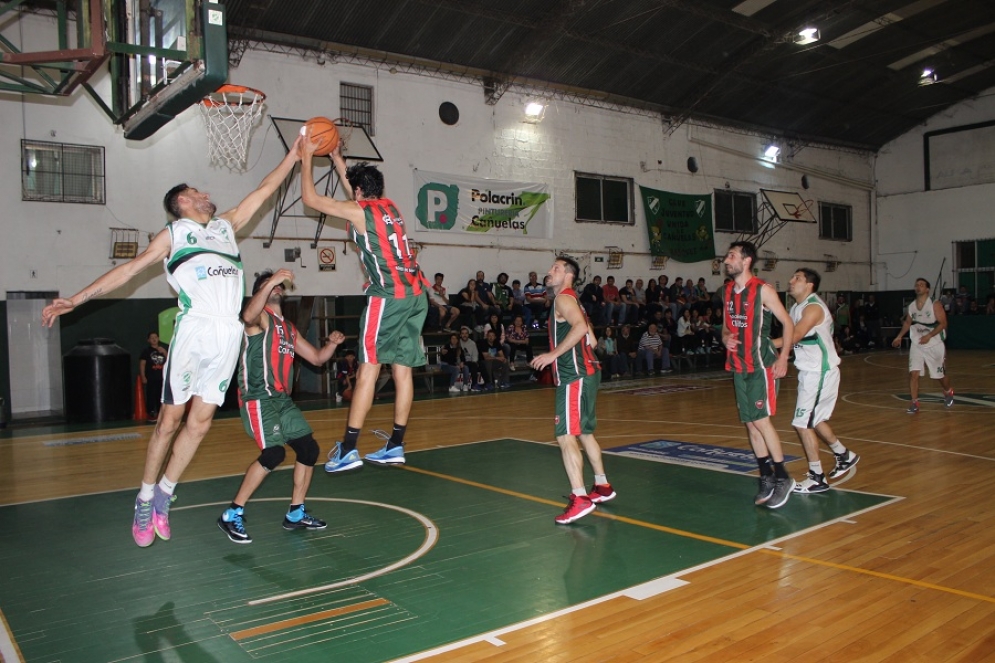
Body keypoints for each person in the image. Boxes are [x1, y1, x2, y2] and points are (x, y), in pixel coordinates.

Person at [41, 139, 305, 548]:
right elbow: (128, 271)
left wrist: (295, 155)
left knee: (199, 424)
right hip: (195, 329)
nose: (209, 196)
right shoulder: (173, 234)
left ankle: (165, 491)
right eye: (200, 192)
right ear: (183, 200)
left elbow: (265, 190)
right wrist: (75, 300)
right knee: (170, 420)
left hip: (227, 333)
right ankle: (145, 497)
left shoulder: (225, 227)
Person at [300, 135, 430, 472]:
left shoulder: (358, 211)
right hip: (416, 296)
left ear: (357, 192)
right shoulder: (389, 207)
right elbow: (355, 190)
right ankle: (396, 445)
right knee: (402, 372)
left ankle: (348, 448)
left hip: (388, 298)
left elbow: (309, 197)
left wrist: (306, 158)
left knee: (368, 371)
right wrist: (337, 157)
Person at [217, 269, 345, 544]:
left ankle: (296, 513)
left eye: (278, 286)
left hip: (282, 400)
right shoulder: (258, 318)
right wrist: (271, 280)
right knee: (274, 454)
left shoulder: (288, 328)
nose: (276, 288)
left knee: (308, 449)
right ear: (260, 292)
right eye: (269, 285)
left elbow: (317, 358)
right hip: (258, 398)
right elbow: (247, 316)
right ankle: (231, 513)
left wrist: (332, 345)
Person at [531, 256, 614, 525]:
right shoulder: (574, 301)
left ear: (569, 275)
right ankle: (601, 485)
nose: (548, 270)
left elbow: (580, 329)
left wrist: (553, 354)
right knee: (585, 432)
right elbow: (592, 337)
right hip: (589, 372)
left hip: (573, 375)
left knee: (565, 435)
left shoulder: (563, 299)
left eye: (555, 268)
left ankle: (579, 498)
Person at [721, 241, 796, 509]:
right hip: (737, 365)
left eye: (732, 256)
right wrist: (726, 338)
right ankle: (765, 475)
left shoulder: (763, 291)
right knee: (750, 424)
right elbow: (726, 328)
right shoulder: (728, 290)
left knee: (762, 421)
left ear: (747, 261)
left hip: (760, 365)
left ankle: (783, 476)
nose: (727, 260)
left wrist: (784, 357)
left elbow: (788, 323)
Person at [776, 268, 860, 494]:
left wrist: (764, 344)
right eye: (792, 276)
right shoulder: (795, 308)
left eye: (797, 278)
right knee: (815, 419)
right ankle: (844, 455)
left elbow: (794, 337)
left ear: (809, 285)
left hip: (820, 372)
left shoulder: (813, 307)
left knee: (801, 423)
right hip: (809, 371)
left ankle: (817, 478)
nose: (791, 281)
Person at [891, 278, 955, 413]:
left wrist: (929, 336)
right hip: (917, 344)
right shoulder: (912, 306)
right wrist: (899, 336)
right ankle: (914, 403)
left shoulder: (935, 304)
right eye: (917, 285)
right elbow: (908, 323)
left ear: (927, 289)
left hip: (934, 344)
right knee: (913, 374)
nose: (918, 286)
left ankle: (948, 391)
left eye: (921, 285)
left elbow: (943, 324)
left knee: (940, 376)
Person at [139, 331, 168, 421]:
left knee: (161, 396)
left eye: (156, 337)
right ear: (148, 340)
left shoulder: (163, 350)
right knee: (151, 396)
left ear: (158, 338)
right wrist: (143, 376)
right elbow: (142, 364)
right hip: (151, 378)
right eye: (152, 338)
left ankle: (161, 413)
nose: (154, 339)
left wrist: (165, 352)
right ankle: (151, 414)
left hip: (161, 378)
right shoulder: (146, 351)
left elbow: (169, 361)